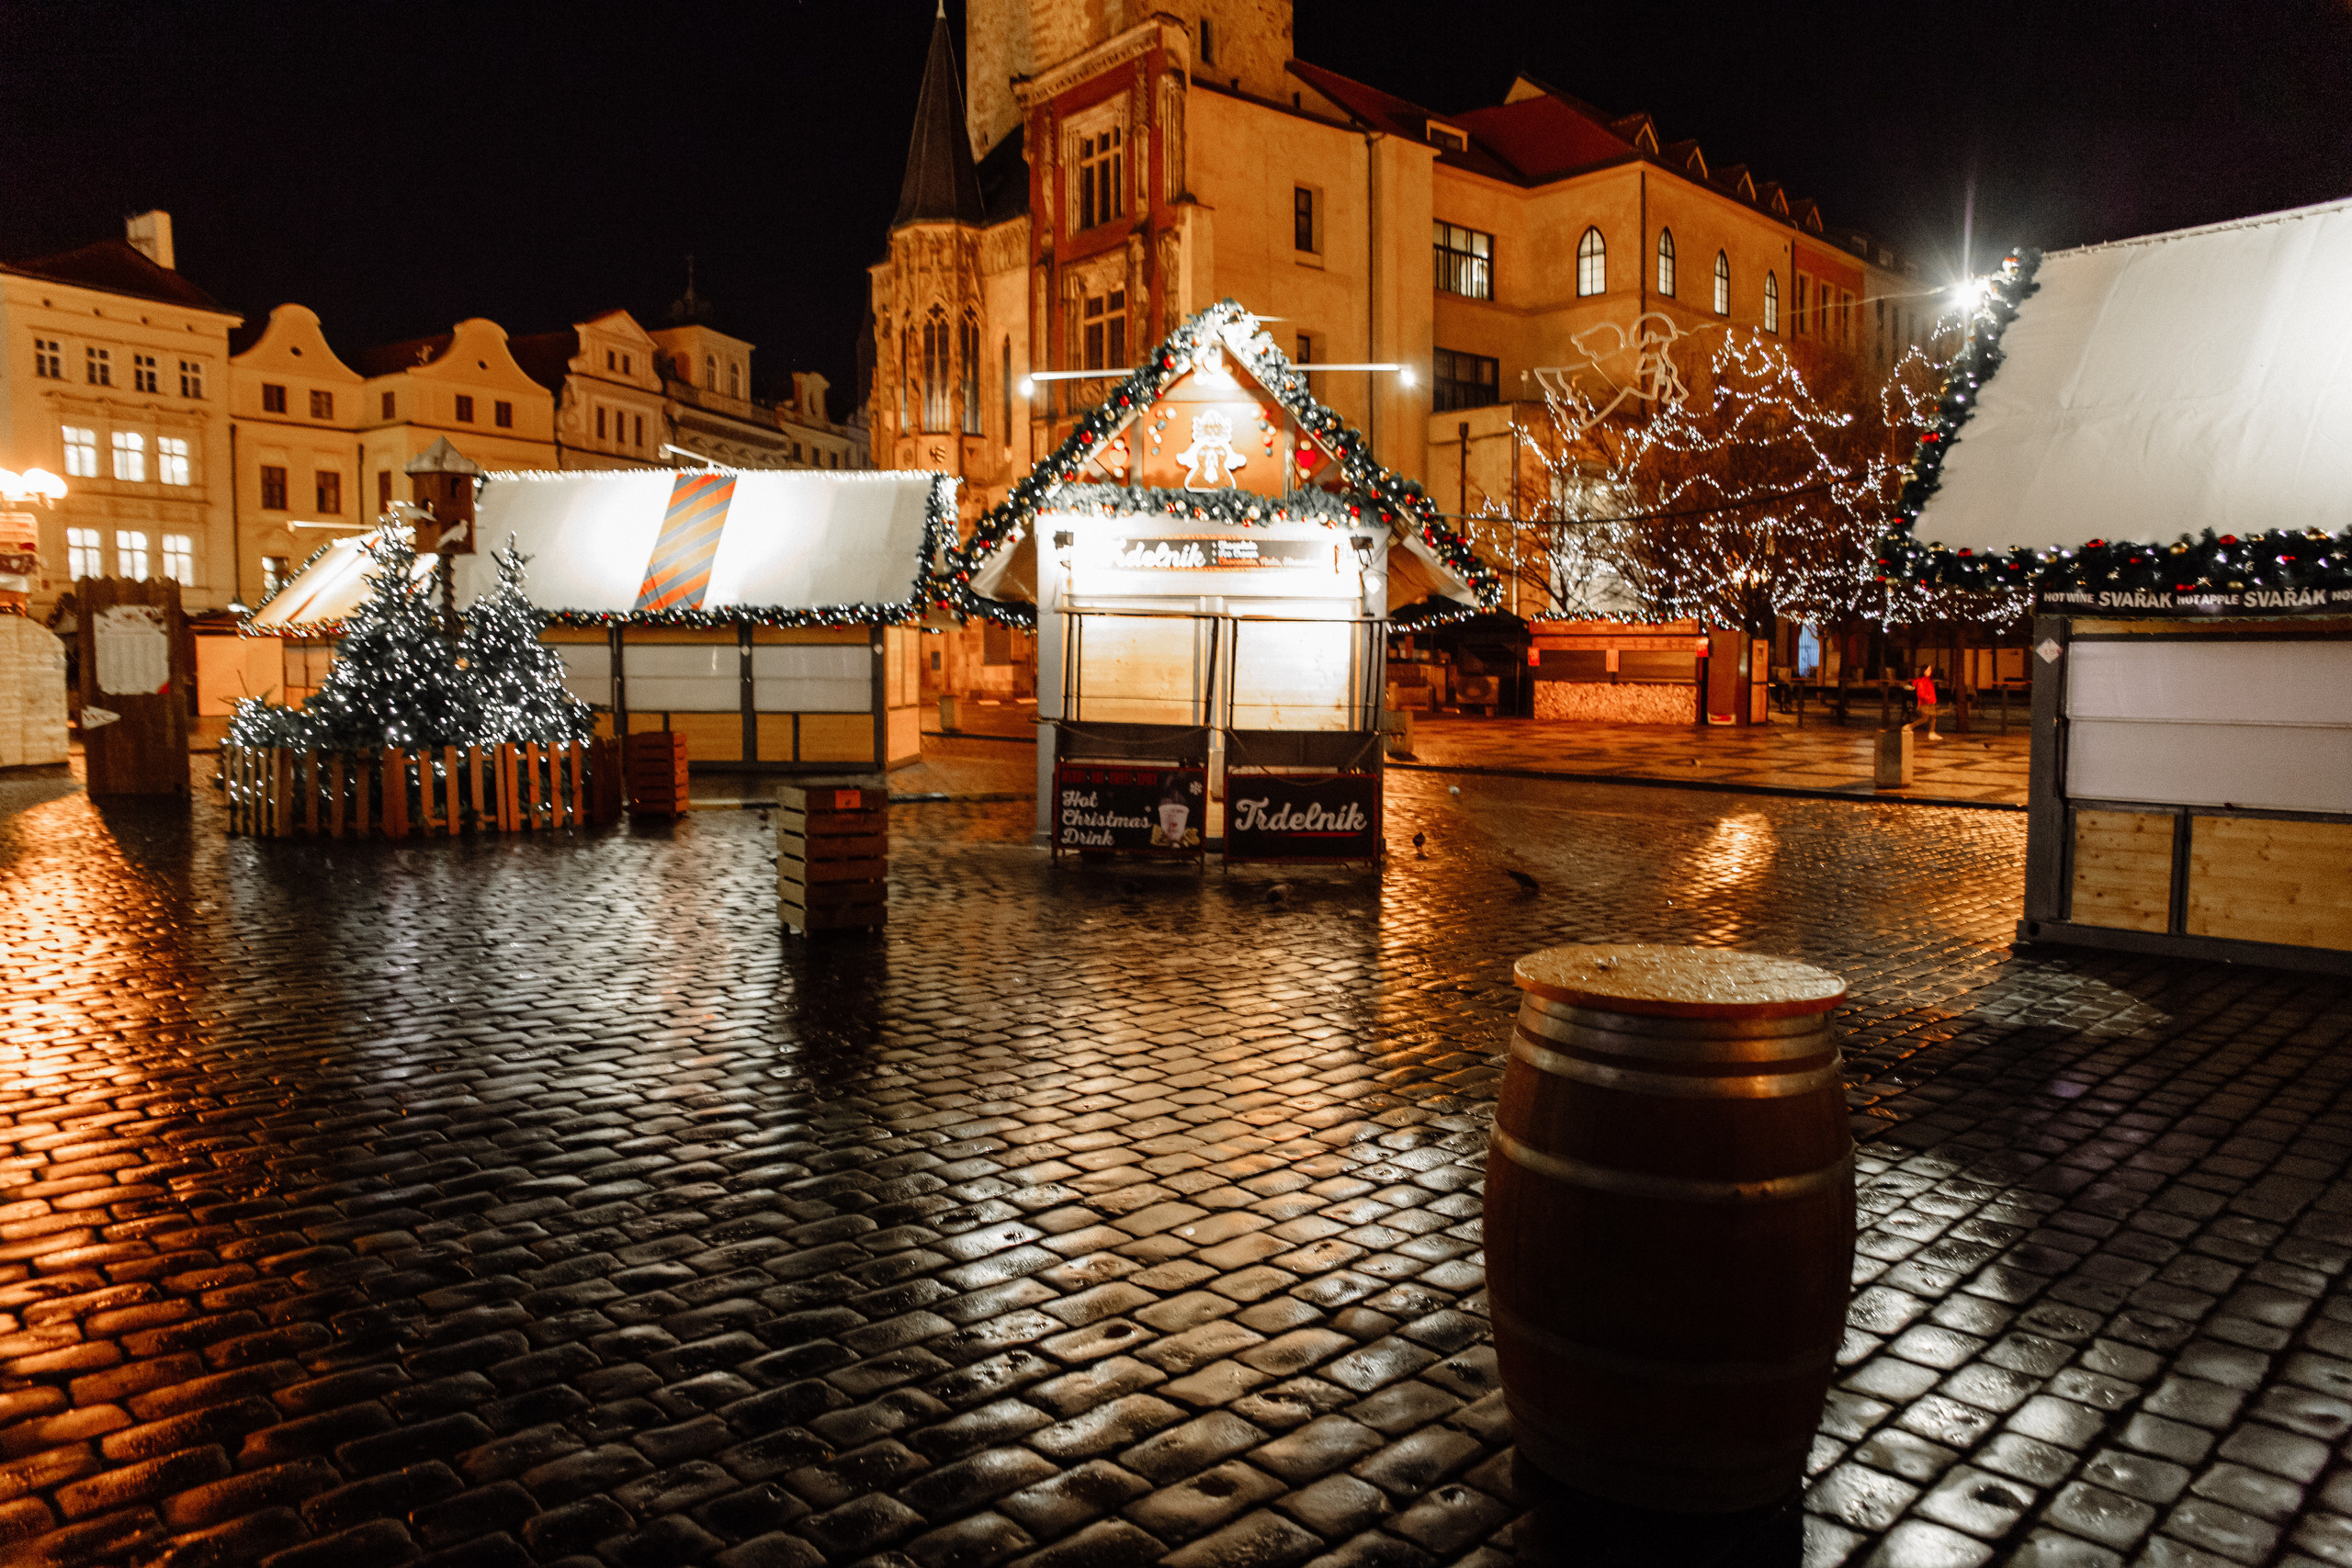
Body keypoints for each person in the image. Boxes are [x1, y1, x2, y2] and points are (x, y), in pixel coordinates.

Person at [1913, 663, 1945, 739]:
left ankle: (1932, 732)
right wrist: (1929, 699)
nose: (1930, 671)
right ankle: (1910, 726)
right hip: (1925, 704)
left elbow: (1931, 692)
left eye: (1930, 670)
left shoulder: (1929, 681)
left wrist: (1933, 700)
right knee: (1925, 719)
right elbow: (1921, 694)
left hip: (1930, 702)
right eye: (1929, 670)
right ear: (1924, 671)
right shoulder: (1922, 681)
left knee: (1933, 718)